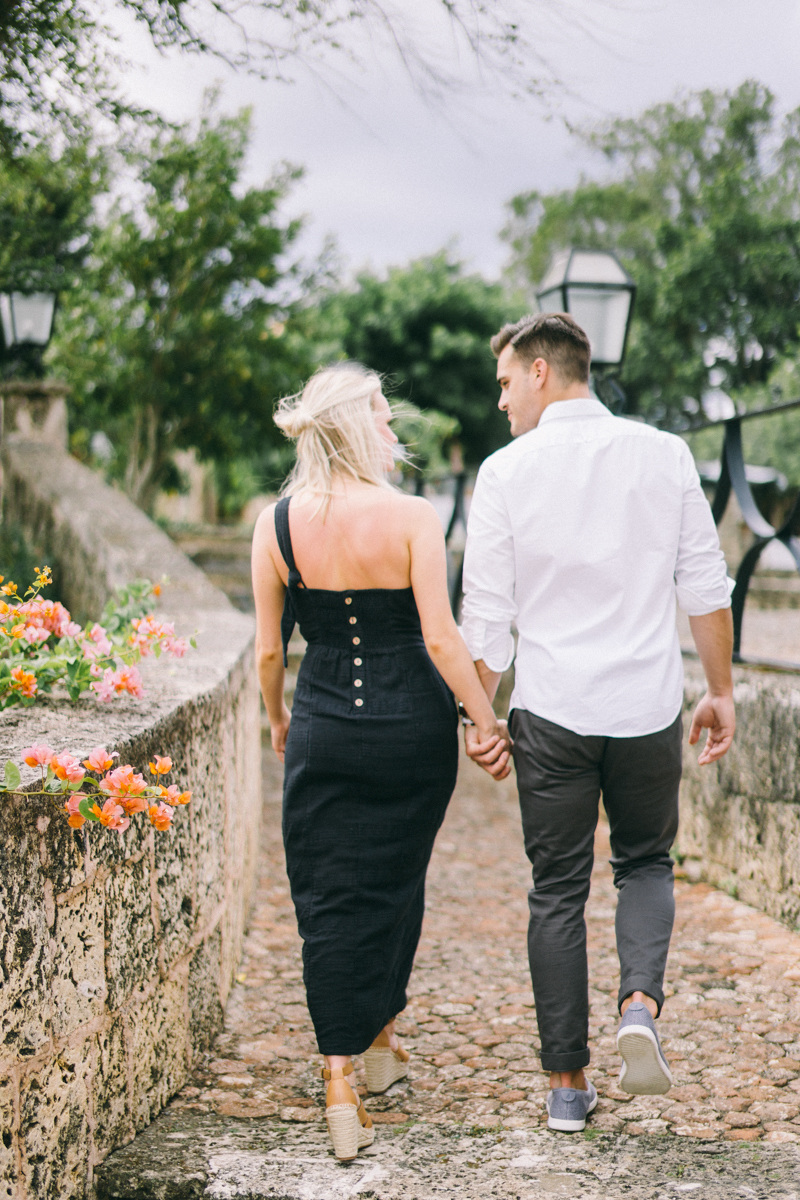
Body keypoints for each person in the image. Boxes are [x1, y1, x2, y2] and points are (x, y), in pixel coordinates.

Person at [460, 312, 735, 1133]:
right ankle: (641, 1008)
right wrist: (717, 690)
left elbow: (487, 621)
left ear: (543, 371)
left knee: (557, 889)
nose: (502, 399)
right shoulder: (666, 454)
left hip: (553, 712)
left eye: (507, 381)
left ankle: (567, 1089)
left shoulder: (506, 472)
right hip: (647, 707)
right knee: (646, 863)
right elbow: (706, 583)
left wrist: (482, 718)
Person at [251, 362, 510, 1162]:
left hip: (324, 725)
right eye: (385, 417)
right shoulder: (412, 517)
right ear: (361, 427)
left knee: (329, 895)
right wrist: (484, 718)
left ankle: (343, 1077)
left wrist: (279, 718)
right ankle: (380, 1046)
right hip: (411, 733)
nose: (395, 430)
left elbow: (268, 651)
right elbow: (439, 637)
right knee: (395, 881)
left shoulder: (276, 523)